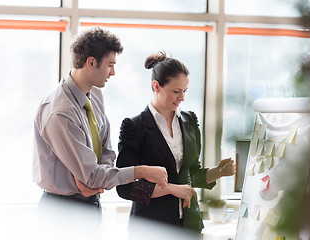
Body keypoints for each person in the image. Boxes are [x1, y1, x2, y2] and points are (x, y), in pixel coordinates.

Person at [32, 27, 167, 239]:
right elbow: (93, 176)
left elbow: (106, 149)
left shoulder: (95, 94)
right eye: (110, 65)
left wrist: (97, 178)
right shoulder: (60, 112)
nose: (113, 72)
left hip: (90, 205)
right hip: (61, 212)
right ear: (91, 63)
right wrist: (141, 171)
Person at [115, 51, 236, 236]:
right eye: (176, 91)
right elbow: (124, 188)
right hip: (151, 229)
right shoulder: (134, 127)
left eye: (185, 91)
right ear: (157, 86)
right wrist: (171, 189)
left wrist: (217, 172)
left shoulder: (189, 122)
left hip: (189, 227)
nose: (182, 98)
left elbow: (190, 175)